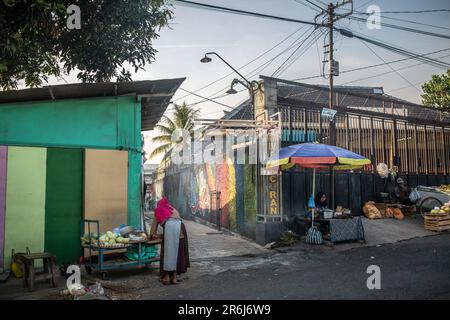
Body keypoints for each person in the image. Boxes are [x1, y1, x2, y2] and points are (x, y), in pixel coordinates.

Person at [149, 197, 190, 285]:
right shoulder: (172, 209)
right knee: (176, 252)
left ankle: (167, 277)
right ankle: (174, 278)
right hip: (181, 228)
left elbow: (152, 232)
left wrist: (151, 236)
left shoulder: (158, 211)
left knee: (168, 252)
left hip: (170, 227)